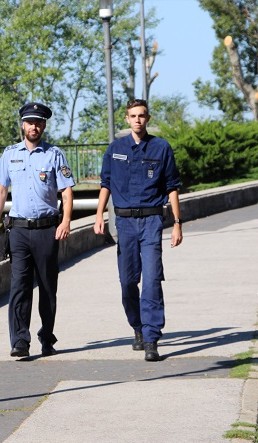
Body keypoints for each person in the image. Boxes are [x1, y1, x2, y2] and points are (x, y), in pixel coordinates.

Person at [94, 98, 183, 362]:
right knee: (127, 282)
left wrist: (178, 223)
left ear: (148, 118)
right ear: (126, 119)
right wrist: (98, 215)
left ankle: (152, 337)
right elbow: (105, 184)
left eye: (142, 116)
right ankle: (138, 327)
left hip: (152, 221)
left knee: (152, 280)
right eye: (133, 116)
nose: (137, 120)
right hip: (125, 223)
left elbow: (172, 187)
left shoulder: (161, 147)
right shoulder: (115, 148)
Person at [0, 102, 75, 358]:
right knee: (19, 287)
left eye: (38, 122)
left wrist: (66, 221)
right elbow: (1, 190)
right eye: (29, 122)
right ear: (23, 125)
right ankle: (20, 341)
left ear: (44, 125)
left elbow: (67, 192)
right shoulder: (10, 154)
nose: (33, 126)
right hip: (18, 231)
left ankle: (46, 337)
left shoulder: (54, 154)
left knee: (48, 287)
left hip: (47, 230)